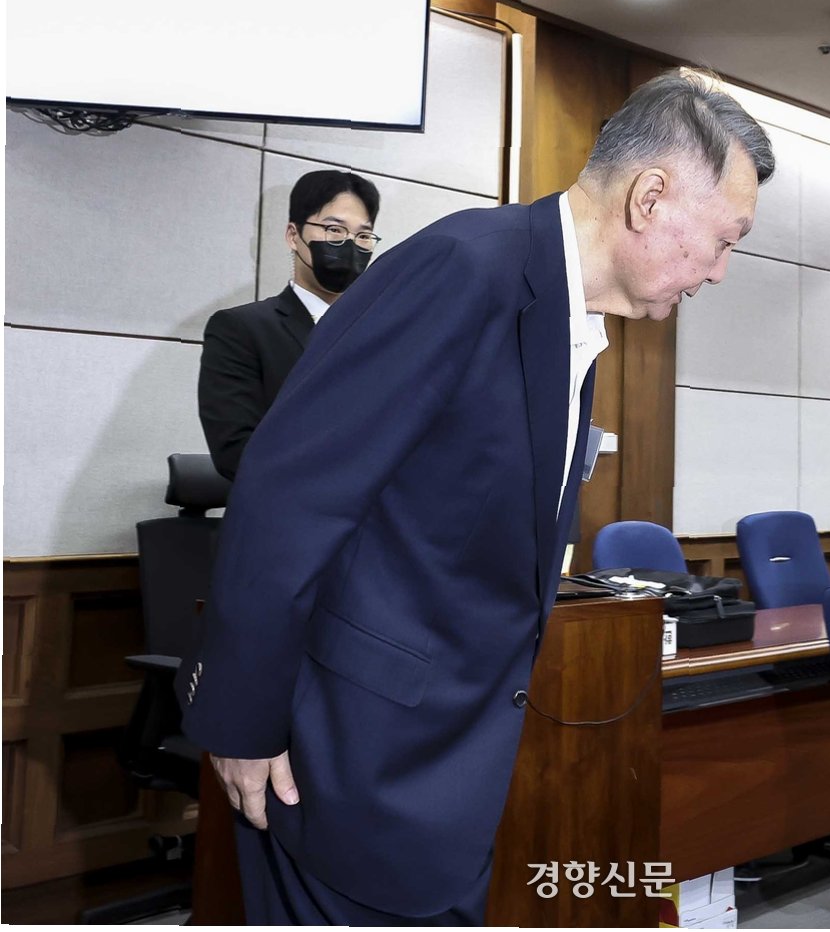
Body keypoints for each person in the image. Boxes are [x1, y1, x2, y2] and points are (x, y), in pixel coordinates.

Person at [178, 68, 776, 925]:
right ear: (649, 198)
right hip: (347, 752)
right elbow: (291, 490)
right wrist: (242, 721)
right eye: (725, 240)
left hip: (443, 757)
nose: (719, 272)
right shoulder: (464, 266)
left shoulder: (570, 325)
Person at [197, 169, 382, 480]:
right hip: (294, 504)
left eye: (363, 236)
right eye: (334, 230)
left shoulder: (382, 331)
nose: (350, 244)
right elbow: (236, 452)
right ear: (293, 236)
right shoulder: (240, 329)